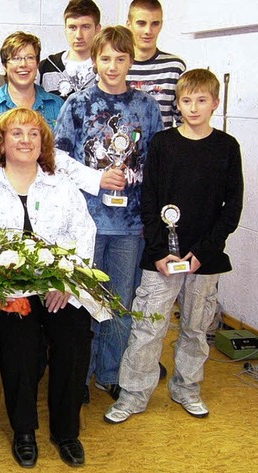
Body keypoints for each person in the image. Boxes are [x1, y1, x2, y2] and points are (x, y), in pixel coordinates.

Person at [104, 69, 244, 423]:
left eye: (201, 101)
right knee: (148, 327)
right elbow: (149, 200)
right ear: (177, 104)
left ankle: (187, 388)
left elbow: (232, 208)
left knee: (196, 330)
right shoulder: (163, 144)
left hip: (204, 259)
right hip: (162, 258)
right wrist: (158, 249)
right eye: (186, 101)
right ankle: (133, 394)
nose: (193, 108)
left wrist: (203, 253)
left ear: (215, 103)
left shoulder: (227, 147)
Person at [0, 108, 94, 468]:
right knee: (19, 340)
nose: (25, 140)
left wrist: (65, 283)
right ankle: (24, 431)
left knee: (74, 335)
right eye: (16, 133)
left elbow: (84, 234)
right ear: (1, 144)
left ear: (43, 143)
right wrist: (5, 288)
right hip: (5, 289)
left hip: (58, 286)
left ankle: (66, 432)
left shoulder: (62, 186)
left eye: (33, 134)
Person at [55, 26, 164, 401]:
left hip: (130, 226)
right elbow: (56, 158)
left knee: (119, 302)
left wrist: (151, 222)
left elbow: (156, 166)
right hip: (86, 223)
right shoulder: (78, 104)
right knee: (83, 303)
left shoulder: (147, 109)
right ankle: (78, 375)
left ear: (131, 61)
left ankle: (109, 372)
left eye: (121, 58)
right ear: (94, 60)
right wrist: (96, 178)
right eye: (105, 58)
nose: (113, 66)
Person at [0, 31, 63, 178]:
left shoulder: (57, 105)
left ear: (37, 63)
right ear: (4, 65)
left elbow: (65, 156)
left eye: (29, 58)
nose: (23, 64)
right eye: (16, 58)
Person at [126, 0, 186, 129]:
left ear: (161, 25)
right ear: (129, 25)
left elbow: (185, 122)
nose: (148, 31)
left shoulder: (174, 67)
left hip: (163, 147)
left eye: (155, 24)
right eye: (141, 23)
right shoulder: (115, 66)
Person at [38, 0, 101, 100]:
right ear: (65, 29)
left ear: (97, 29)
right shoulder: (47, 67)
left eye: (85, 27)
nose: (78, 35)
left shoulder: (107, 67)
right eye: (72, 27)